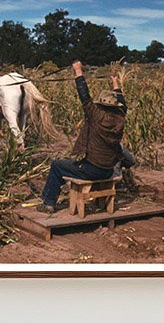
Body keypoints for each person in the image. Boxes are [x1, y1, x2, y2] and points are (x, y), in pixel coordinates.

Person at [37, 61, 127, 214]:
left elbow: (84, 95)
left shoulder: (96, 115)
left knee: (57, 165)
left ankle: (48, 203)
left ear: (101, 105)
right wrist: (115, 83)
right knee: (66, 165)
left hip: (93, 169)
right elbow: (123, 103)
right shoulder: (120, 117)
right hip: (108, 170)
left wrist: (78, 71)